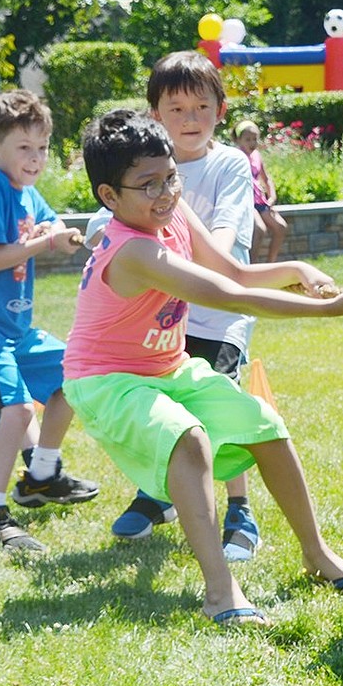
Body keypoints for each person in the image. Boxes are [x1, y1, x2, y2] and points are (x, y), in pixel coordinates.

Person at [69, 109, 343, 625]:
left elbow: (234, 270)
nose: (166, 192)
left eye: (171, 177)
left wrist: (295, 269)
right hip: (105, 380)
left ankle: (317, 554)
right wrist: (328, 308)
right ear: (109, 197)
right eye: (148, 185)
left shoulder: (171, 214)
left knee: (266, 426)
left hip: (167, 367)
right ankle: (220, 590)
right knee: (188, 438)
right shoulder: (134, 250)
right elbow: (234, 296)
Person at [101, 52, 264, 563]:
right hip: (161, 318)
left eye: (202, 105)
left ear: (221, 109)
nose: (190, 119)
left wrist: (167, 258)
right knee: (161, 406)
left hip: (218, 311)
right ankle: (159, 492)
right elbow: (110, 224)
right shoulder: (145, 166)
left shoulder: (230, 164)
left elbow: (223, 239)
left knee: (222, 405)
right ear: (154, 115)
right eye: (176, 109)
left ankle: (239, 508)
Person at [0, 89, 99, 550]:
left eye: (43, 148)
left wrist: (59, 234)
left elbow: (51, 229)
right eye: (24, 148)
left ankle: (42, 475)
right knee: (18, 408)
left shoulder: (27, 193)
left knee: (75, 375)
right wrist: (44, 243)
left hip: (14, 328)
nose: (36, 158)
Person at [232, 119, 289, 263]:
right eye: (248, 139)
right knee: (259, 229)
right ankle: (251, 266)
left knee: (280, 227)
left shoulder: (257, 155)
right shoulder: (236, 156)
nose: (252, 143)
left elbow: (266, 177)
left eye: (255, 139)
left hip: (259, 199)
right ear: (239, 140)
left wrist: (272, 196)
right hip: (246, 201)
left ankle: (271, 263)